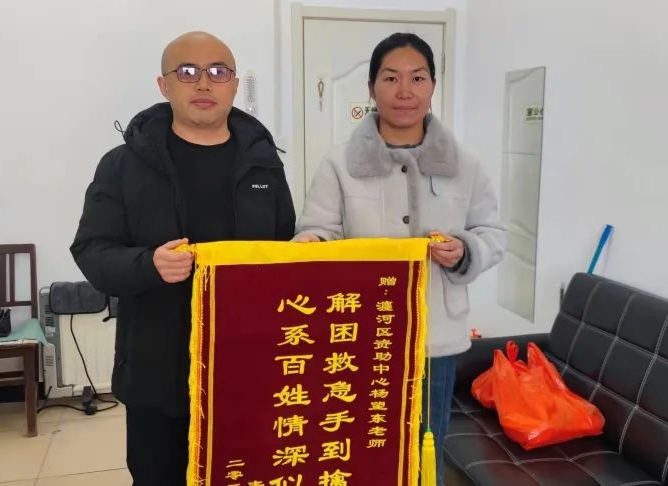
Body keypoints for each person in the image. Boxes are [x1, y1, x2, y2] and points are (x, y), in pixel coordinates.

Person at [70, 31, 295, 485]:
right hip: (157, 369)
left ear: (235, 85)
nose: (204, 83)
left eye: (219, 72)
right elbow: (92, 251)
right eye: (188, 72)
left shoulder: (264, 164)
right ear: (164, 85)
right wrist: (148, 265)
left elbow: (280, 247)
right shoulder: (123, 165)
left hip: (247, 368)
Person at [295, 32, 507, 484]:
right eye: (391, 78)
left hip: (434, 337)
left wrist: (464, 250)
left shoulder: (465, 165)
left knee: (425, 447)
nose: (405, 91)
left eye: (418, 78)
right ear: (372, 88)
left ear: (433, 86)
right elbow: (318, 230)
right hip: (357, 335)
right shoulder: (338, 164)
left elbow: (492, 234)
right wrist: (311, 245)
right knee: (357, 448)